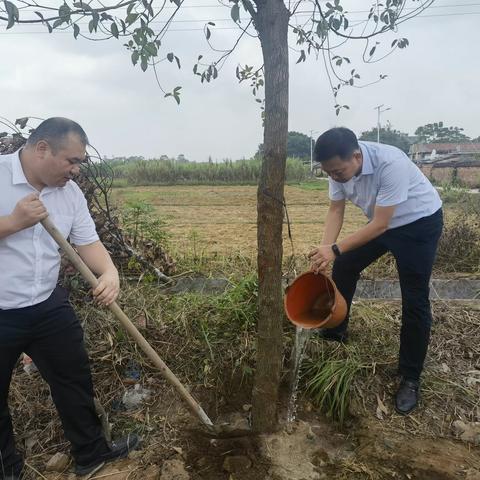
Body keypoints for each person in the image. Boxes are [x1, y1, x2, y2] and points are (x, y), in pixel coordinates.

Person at [0, 118, 138, 480]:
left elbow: (87, 242)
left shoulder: (69, 193)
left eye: (80, 163)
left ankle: (91, 455)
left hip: (46, 304)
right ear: (42, 148)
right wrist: (12, 222)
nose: (76, 171)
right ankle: (7, 469)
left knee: (73, 378)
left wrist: (110, 273)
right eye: (71, 161)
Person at [309, 127, 443, 415]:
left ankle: (410, 377)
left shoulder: (390, 162)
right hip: (381, 223)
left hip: (417, 223)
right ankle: (336, 329)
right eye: (329, 172)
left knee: (414, 298)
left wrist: (335, 249)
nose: (334, 177)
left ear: (356, 156)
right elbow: (336, 209)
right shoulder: (338, 167)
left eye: (338, 172)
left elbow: (381, 224)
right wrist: (326, 250)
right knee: (345, 264)